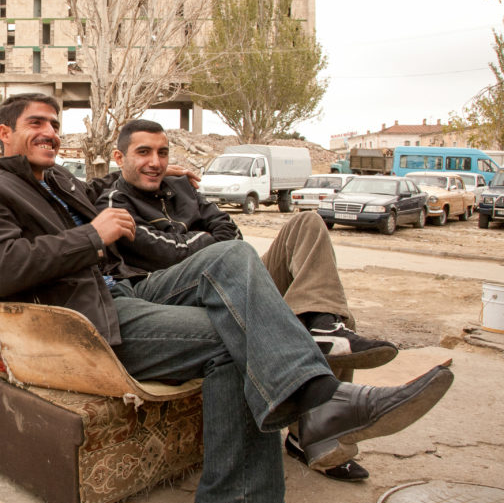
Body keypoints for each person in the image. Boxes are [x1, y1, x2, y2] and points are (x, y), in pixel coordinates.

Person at [0, 94, 453, 503]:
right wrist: (92, 236)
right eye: (36, 123)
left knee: (234, 259)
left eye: (56, 125)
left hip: (122, 294)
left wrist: (161, 174)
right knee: (235, 334)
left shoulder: (57, 180)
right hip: (82, 324)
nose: (51, 133)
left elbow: (106, 183)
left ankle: (298, 422)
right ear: (5, 133)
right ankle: (253, 481)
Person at [96, 119, 397, 481]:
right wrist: (209, 241)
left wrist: (208, 238)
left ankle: (323, 330)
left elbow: (231, 230)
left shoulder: (182, 188)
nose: (155, 162)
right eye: (143, 152)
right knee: (232, 257)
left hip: (228, 276)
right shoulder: (113, 201)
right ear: (119, 158)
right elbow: (171, 254)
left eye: (162, 153)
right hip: (169, 293)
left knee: (308, 227)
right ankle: (320, 416)